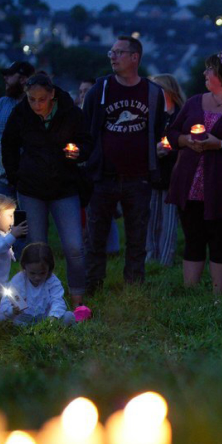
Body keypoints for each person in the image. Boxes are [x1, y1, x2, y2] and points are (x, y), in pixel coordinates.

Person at [80, 36, 170, 292]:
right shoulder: (100, 90)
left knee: (137, 235)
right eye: (111, 52)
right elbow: (87, 128)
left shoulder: (153, 93)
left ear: (135, 57)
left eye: (119, 52)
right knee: (96, 235)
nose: (112, 56)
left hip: (138, 176)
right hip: (104, 175)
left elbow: (156, 128)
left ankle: (133, 285)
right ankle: (92, 285)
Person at [165, 51, 222, 294]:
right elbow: (173, 134)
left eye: (209, 69)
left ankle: (218, 296)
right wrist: (186, 140)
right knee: (193, 238)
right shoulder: (195, 101)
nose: (204, 73)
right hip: (190, 183)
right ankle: (191, 292)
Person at [1, 72, 93, 308]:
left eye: (41, 99)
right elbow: (8, 144)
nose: (36, 104)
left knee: (74, 247)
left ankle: (77, 299)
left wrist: (78, 152)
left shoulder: (71, 113)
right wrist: (16, 176)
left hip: (65, 188)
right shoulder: (21, 114)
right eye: (32, 99)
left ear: (52, 95)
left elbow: (87, 142)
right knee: (37, 248)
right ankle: (37, 301)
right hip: (31, 189)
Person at [147, 73, 185, 267]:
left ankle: (165, 260)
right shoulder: (152, 115)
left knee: (169, 221)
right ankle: (150, 257)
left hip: (172, 176)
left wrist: (170, 150)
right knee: (151, 218)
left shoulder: (181, 115)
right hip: (154, 175)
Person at [0, 61, 35, 200]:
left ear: (23, 79)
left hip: (27, 180)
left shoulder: (37, 106)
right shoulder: (0, 104)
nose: (5, 78)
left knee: (23, 221)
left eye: (10, 74)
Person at [0, 242, 78, 325]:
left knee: (69, 316)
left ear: (49, 268)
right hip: (23, 320)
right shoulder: (19, 279)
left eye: (42, 273)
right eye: (32, 273)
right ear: (24, 267)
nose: (37, 277)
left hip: (46, 319)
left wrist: (52, 318)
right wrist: (12, 310)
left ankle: (48, 329)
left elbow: (58, 301)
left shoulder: (52, 281)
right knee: (1, 318)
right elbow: (5, 302)